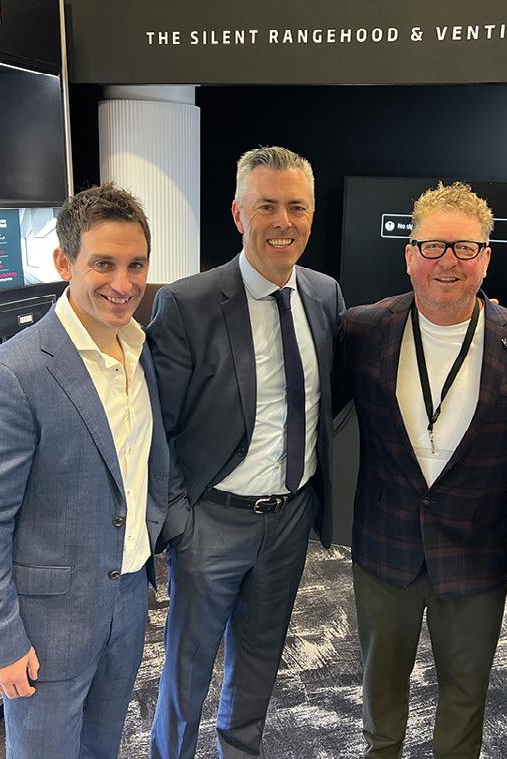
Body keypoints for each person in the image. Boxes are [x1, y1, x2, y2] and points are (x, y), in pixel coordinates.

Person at [0, 183, 168, 759]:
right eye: (103, 264)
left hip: (126, 601)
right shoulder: (13, 374)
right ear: (64, 263)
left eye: (136, 265)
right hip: (45, 623)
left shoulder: (140, 349)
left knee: (102, 747)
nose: (123, 283)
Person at [337, 182, 507, 758]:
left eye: (465, 248)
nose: (447, 262)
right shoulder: (362, 330)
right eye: (433, 246)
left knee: (464, 699)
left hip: (476, 554)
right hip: (384, 548)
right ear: (410, 255)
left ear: (486, 258)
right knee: (380, 694)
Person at [146, 146, 345, 759]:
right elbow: (157, 426)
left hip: (289, 518)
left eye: (297, 207)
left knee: (260, 660)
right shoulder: (188, 304)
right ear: (238, 214)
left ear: (312, 214)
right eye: (267, 206)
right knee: (187, 667)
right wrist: (179, 519)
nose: (284, 221)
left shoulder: (325, 294)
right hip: (212, 520)